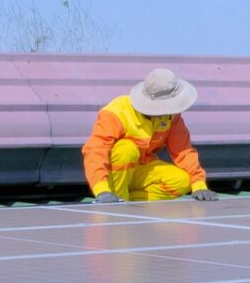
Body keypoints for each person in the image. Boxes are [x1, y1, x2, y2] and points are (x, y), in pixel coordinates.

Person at [84, 68, 218, 203]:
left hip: (142, 170)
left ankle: (129, 201)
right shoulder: (116, 112)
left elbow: (184, 151)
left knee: (182, 181)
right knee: (126, 149)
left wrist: (198, 184)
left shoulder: (171, 116)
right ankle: (116, 200)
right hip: (115, 174)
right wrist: (101, 190)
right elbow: (95, 150)